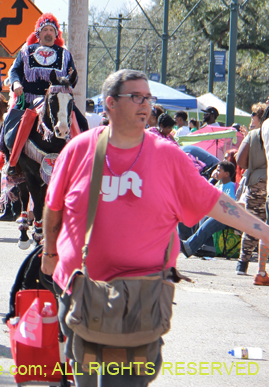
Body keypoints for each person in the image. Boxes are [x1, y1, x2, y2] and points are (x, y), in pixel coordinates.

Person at [41, 69, 269, 386]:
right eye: (136, 97)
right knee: (85, 380)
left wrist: (263, 230)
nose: (145, 104)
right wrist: (49, 253)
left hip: (142, 297)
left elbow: (216, 203)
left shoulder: (167, 156)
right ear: (110, 103)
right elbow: (53, 208)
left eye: (149, 97)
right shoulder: (79, 150)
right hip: (80, 290)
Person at [3, 13, 85, 171]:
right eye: (45, 30)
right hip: (29, 99)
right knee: (10, 124)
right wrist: (16, 83)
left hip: (58, 99)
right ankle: (12, 163)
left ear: (56, 35)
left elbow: (73, 77)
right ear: (38, 34)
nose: (48, 33)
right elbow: (15, 71)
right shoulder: (26, 52)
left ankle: (82, 164)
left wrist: (69, 79)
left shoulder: (65, 54)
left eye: (51, 30)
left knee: (83, 123)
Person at [235, 103, 269, 277]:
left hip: (257, 183)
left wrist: (253, 165)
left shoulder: (254, 135)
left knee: (254, 223)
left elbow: (240, 160)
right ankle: (262, 269)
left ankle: (243, 263)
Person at [180, 161, 238, 258]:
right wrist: (212, 179)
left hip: (227, 215)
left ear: (226, 174)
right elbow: (203, 193)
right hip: (217, 214)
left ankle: (189, 246)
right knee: (199, 213)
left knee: (211, 218)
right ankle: (207, 247)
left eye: (218, 170)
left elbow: (229, 204)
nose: (216, 172)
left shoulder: (230, 185)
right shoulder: (219, 185)